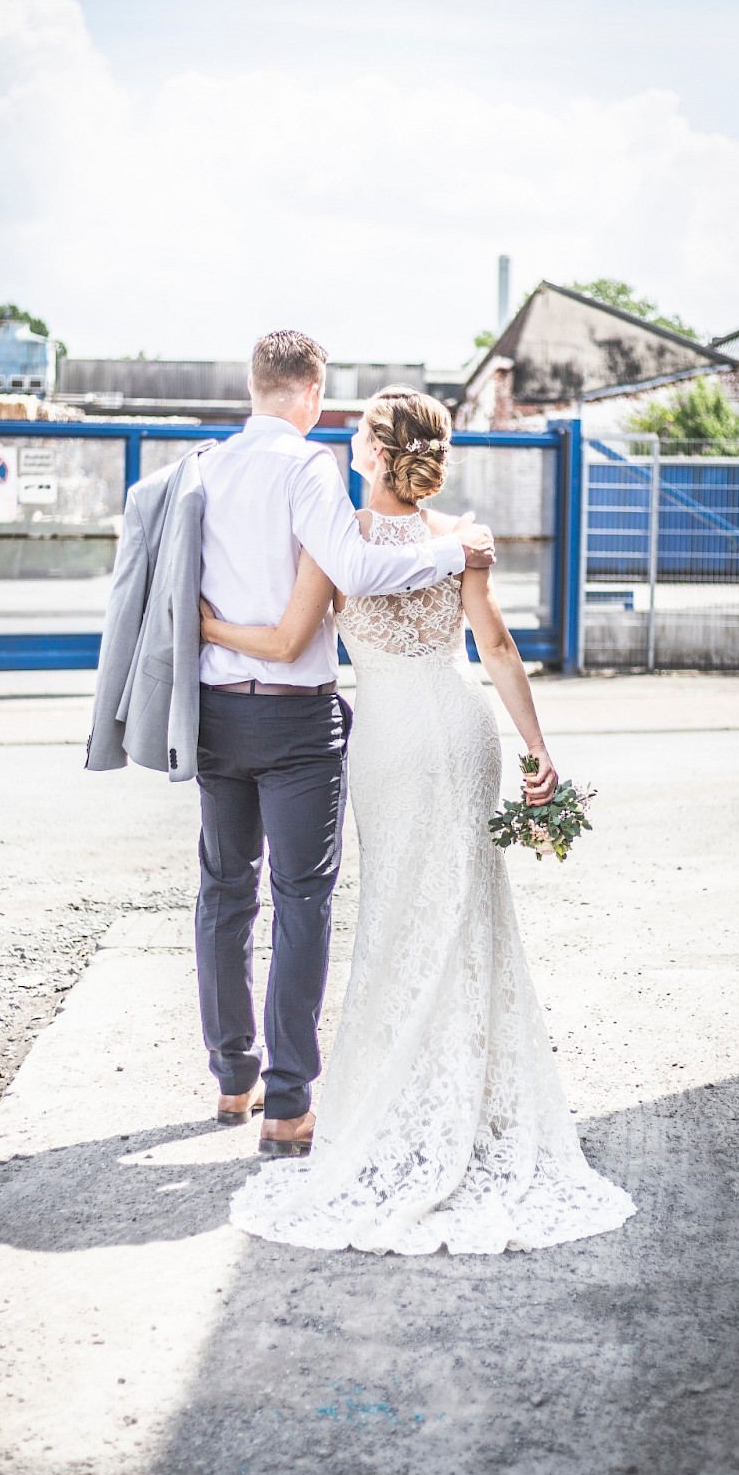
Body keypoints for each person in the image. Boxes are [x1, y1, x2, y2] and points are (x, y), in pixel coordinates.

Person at [201, 385, 636, 1255]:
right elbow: (500, 648)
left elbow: (289, 643)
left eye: (357, 436)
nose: (348, 446)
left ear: (372, 454)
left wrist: (205, 623)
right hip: (464, 720)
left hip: (392, 738)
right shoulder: (459, 540)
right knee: (469, 911)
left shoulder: (337, 542)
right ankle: (472, 1094)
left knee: (399, 914)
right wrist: (539, 750)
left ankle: (399, 1096)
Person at [195, 334, 496, 1157]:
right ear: (313, 391)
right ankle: (288, 1104)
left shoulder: (204, 466)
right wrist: (454, 547)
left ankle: (232, 1077)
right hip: (295, 721)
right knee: (300, 900)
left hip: (215, 708)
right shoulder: (308, 470)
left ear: (254, 384)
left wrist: (209, 632)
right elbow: (358, 571)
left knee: (224, 888)